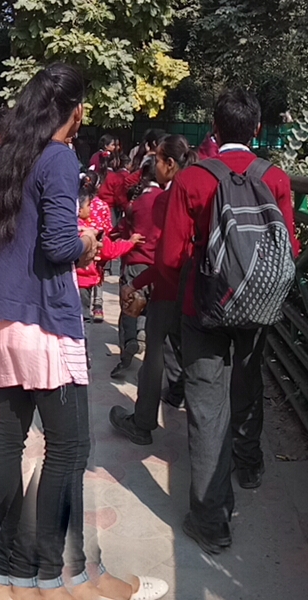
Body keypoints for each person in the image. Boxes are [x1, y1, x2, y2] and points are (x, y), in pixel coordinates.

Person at [0, 63, 166, 600]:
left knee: (11, 434)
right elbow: (57, 245)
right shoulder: (60, 157)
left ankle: (28, 567)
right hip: (44, 320)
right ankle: (42, 573)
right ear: (77, 110)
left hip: (2, 317)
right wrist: (88, 243)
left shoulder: (7, 156)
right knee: (69, 447)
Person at [137, 88, 296, 555]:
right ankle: (250, 465)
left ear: (214, 128)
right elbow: (290, 247)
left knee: (207, 407)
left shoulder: (192, 179)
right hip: (258, 303)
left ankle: (211, 522)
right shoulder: (276, 178)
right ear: (257, 129)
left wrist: (185, 292)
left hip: (202, 308)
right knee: (248, 382)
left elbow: (170, 258)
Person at [109, 133, 193, 417]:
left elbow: (166, 255)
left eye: (157, 159)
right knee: (177, 345)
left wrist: (137, 282)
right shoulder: (197, 190)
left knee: (154, 352)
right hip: (196, 285)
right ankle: (178, 395)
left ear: (169, 164)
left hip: (167, 282)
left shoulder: (167, 199)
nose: (154, 164)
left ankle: (143, 420)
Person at [75, 179, 116, 324]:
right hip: (98, 247)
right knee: (98, 275)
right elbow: (108, 228)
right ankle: (98, 306)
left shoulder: (76, 207)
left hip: (79, 261)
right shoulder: (102, 205)